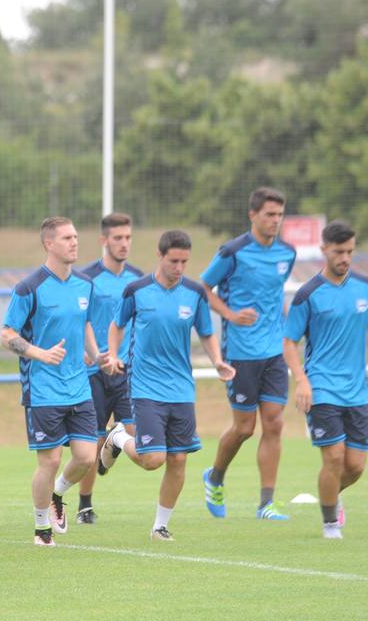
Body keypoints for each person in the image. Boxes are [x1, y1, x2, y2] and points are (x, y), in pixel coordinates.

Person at [98, 230, 235, 541]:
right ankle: (119, 437)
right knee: (153, 460)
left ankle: (160, 526)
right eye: (174, 260)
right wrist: (114, 355)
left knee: (179, 458)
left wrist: (217, 361)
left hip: (181, 389)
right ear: (160, 256)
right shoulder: (137, 290)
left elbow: (206, 331)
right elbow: (117, 325)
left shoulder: (195, 293)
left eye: (185, 261)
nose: (179, 267)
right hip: (145, 386)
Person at [0, 217, 101, 546]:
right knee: (51, 459)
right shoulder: (29, 287)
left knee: (87, 457)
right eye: (67, 238)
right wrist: (40, 354)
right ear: (49, 244)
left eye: (76, 236)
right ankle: (42, 528)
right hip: (43, 389)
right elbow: (6, 334)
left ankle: (57, 495)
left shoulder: (85, 284)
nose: (75, 242)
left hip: (79, 385)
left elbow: (83, 321)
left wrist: (94, 354)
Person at [282, 221, 368, 540]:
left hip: (357, 389)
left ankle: (331, 495)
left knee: (354, 466)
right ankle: (330, 524)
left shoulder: (367, 286)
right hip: (322, 387)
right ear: (324, 250)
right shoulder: (307, 294)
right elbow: (289, 342)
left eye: (350, 251)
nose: (345, 258)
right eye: (339, 252)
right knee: (334, 456)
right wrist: (301, 381)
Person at [199, 188, 296, 521]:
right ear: (253, 215)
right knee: (244, 428)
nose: (275, 221)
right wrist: (229, 314)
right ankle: (215, 477)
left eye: (280, 215)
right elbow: (202, 288)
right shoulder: (233, 252)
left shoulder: (287, 253)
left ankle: (266, 503)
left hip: (273, 351)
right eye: (269, 214)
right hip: (240, 352)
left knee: (274, 422)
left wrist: (288, 330)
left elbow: (275, 294)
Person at [77, 213, 144, 524]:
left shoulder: (138, 279)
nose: (124, 243)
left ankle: (113, 443)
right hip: (94, 373)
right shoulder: (86, 278)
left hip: (127, 371)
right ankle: (85, 505)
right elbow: (77, 319)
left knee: (132, 434)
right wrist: (86, 352)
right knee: (90, 441)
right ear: (104, 241)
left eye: (128, 237)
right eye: (117, 238)